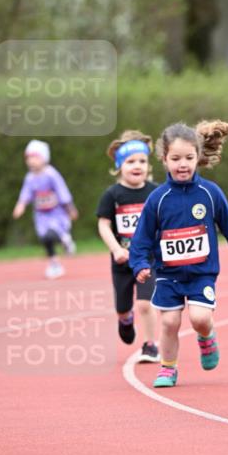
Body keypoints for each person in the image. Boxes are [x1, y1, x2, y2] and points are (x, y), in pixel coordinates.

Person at [129, 120, 228, 388]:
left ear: (198, 157)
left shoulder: (210, 193)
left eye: (189, 157)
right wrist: (139, 263)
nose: (182, 164)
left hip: (201, 273)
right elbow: (141, 236)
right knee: (170, 322)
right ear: (164, 160)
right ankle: (167, 368)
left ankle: (206, 336)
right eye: (175, 158)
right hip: (168, 274)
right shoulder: (158, 199)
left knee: (199, 319)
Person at [96, 130, 160, 361]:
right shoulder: (112, 195)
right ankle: (125, 319)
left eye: (142, 161)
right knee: (123, 307)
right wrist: (116, 249)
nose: (137, 166)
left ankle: (151, 344)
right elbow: (103, 225)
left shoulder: (155, 192)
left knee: (145, 303)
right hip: (122, 260)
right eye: (131, 161)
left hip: (147, 259)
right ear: (119, 165)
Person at [12, 140, 78, 279]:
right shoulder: (29, 178)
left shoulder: (51, 174)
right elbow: (26, 194)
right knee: (45, 238)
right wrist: (21, 205)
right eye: (28, 158)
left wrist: (70, 208)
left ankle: (64, 239)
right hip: (41, 215)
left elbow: (62, 191)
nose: (31, 161)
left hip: (56, 213)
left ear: (44, 158)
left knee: (52, 234)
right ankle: (54, 264)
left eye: (35, 157)